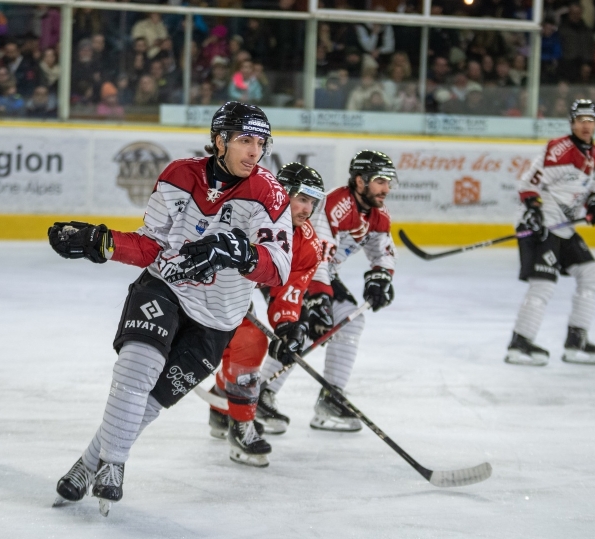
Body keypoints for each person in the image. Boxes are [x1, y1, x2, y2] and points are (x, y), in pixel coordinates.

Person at [49, 101, 292, 515]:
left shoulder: (269, 194)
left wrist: (240, 252)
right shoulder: (180, 175)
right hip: (165, 288)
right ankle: (115, 465)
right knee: (135, 370)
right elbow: (151, 244)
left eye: (261, 143)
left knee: (150, 402)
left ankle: (88, 465)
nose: (255, 152)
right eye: (245, 141)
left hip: (217, 321)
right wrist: (103, 243)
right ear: (219, 140)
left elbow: (277, 270)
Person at [257, 150, 398, 434]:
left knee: (350, 321)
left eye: (388, 182)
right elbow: (314, 254)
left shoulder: (377, 215)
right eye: (381, 181)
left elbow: (382, 250)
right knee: (302, 327)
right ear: (360, 181)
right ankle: (259, 393)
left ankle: (331, 398)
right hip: (295, 270)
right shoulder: (335, 204)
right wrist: (319, 298)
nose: (386, 188)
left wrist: (381, 275)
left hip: (322, 274)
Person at [207, 162, 325, 467]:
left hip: (238, 292)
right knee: (240, 341)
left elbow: (289, 290)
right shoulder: (245, 212)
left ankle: (235, 419)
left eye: (313, 202)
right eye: (302, 199)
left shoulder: (308, 243)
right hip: (199, 286)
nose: (307, 210)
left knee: (251, 340)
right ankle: (227, 405)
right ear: (282, 194)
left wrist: (288, 326)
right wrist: (229, 288)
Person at [505, 99, 595, 367]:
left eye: (590, 120)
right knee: (543, 284)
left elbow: (584, 191)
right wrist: (532, 210)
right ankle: (519, 344)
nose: (586, 125)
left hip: (565, 226)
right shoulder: (559, 149)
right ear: (572, 123)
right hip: (542, 224)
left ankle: (576, 341)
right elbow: (528, 183)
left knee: (591, 274)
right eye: (580, 120)